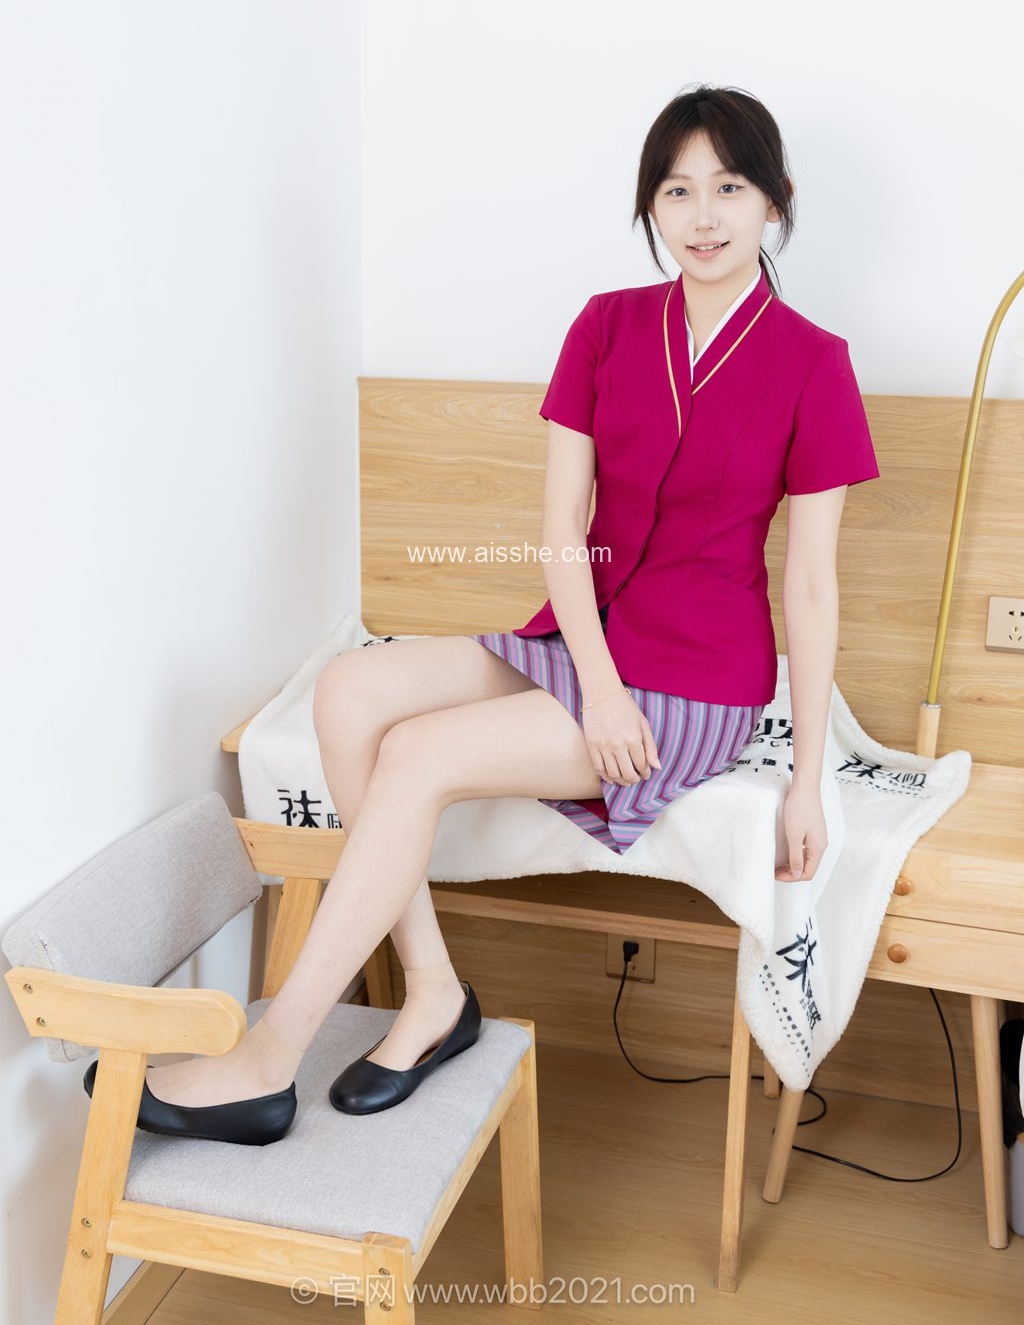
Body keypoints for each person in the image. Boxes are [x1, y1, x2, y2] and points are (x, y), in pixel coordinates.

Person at [126, 84, 881, 1142]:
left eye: (729, 187)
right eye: (676, 191)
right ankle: (434, 992)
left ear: (774, 199)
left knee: (418, 752)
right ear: (650, 206)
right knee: (349, 690)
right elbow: (563, 525)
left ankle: (270, 1053)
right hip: (588, 642)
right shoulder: (607, 325)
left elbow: (809, 585)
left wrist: (804, 780)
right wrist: (597, 685)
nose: (703, 215)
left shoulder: (813, 362)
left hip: (697, 680)